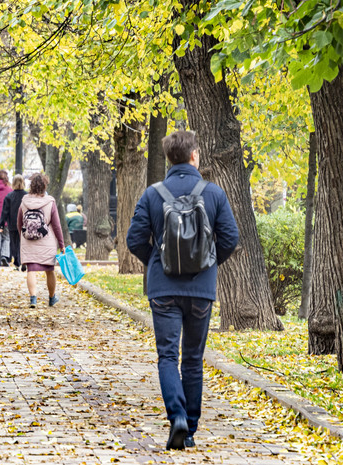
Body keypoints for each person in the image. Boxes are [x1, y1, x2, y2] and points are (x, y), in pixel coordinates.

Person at [126, 130, 239, 450]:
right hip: (201, 289)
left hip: (163, 289)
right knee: (193, 358)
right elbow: (230, 239)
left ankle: (175, 415)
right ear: (194, 156)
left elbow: (135, 240)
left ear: (168, 158)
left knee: (167, 355)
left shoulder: (153, 194)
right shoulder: (214, 193)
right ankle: (189, 430)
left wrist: (158, 263)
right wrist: (207, 264)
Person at [17, 173, 65, 308]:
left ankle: (33, 298)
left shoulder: (24, 201)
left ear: (31, 186)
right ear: (44, 186)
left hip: (28, 240)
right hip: (46, 240)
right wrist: (61, 244)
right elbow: (56, 225)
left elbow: (19, 221)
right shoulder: (50, 201)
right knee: (49, 270)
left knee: (31, 270)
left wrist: (22, 236)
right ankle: (51, 298)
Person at [0, 174, 28, 271]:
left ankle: (16, 262)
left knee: (14, 243)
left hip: (12, 223)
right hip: (25, 223)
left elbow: (5, 212)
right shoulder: (26, 195)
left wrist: (2, 225)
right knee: (23, 243)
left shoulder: (9, 196)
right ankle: (24, 261)